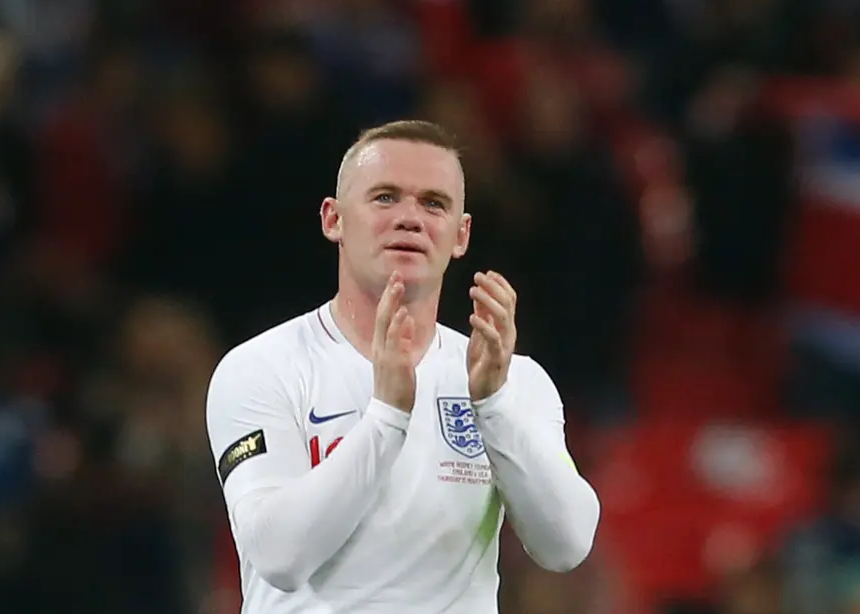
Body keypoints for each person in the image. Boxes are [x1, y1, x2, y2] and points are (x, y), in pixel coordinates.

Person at [204, 120, 600, 613]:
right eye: (385, 197)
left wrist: (495, 408)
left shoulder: (513, 380)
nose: (411, 218)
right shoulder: (262, 368)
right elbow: (280, 556)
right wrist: (388, 417)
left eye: (434, 203)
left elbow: (567, 544)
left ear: (461, 234)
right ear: (333, 220)